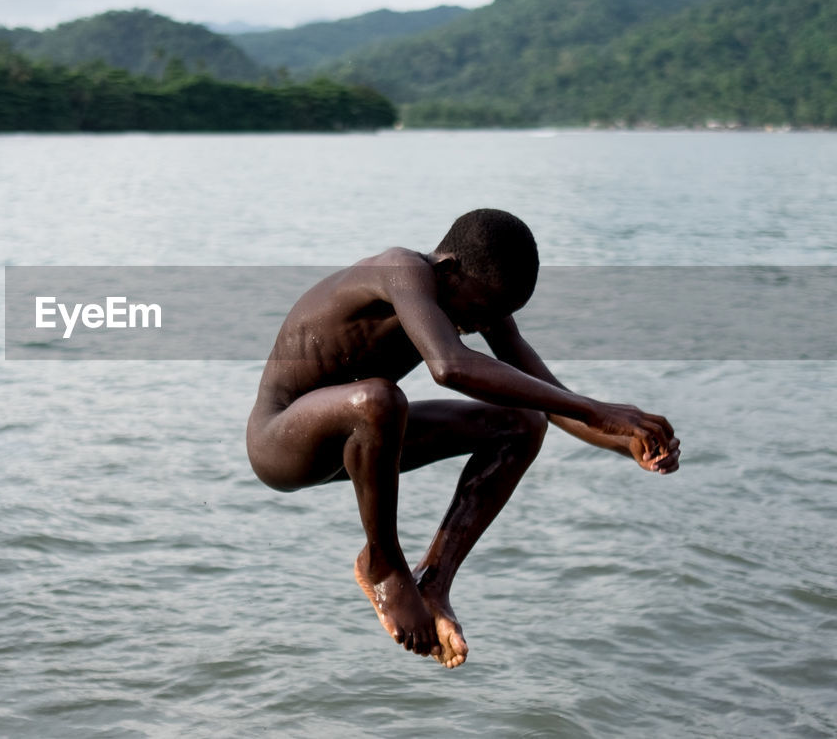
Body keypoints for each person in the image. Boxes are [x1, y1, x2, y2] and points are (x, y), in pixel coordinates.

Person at [245, 208, 680, 669]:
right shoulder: (402, 271)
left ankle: (433, 580)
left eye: (493, 318)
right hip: (282, 443)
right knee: (379, 399)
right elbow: (448, 366)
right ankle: (384, 566)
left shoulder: (473, 299)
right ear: (450, 270)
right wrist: (599, 411)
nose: (476, 326)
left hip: (364, 442)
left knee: (522, 423)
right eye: (476, 313)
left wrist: (624, 439)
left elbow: (550, 400)